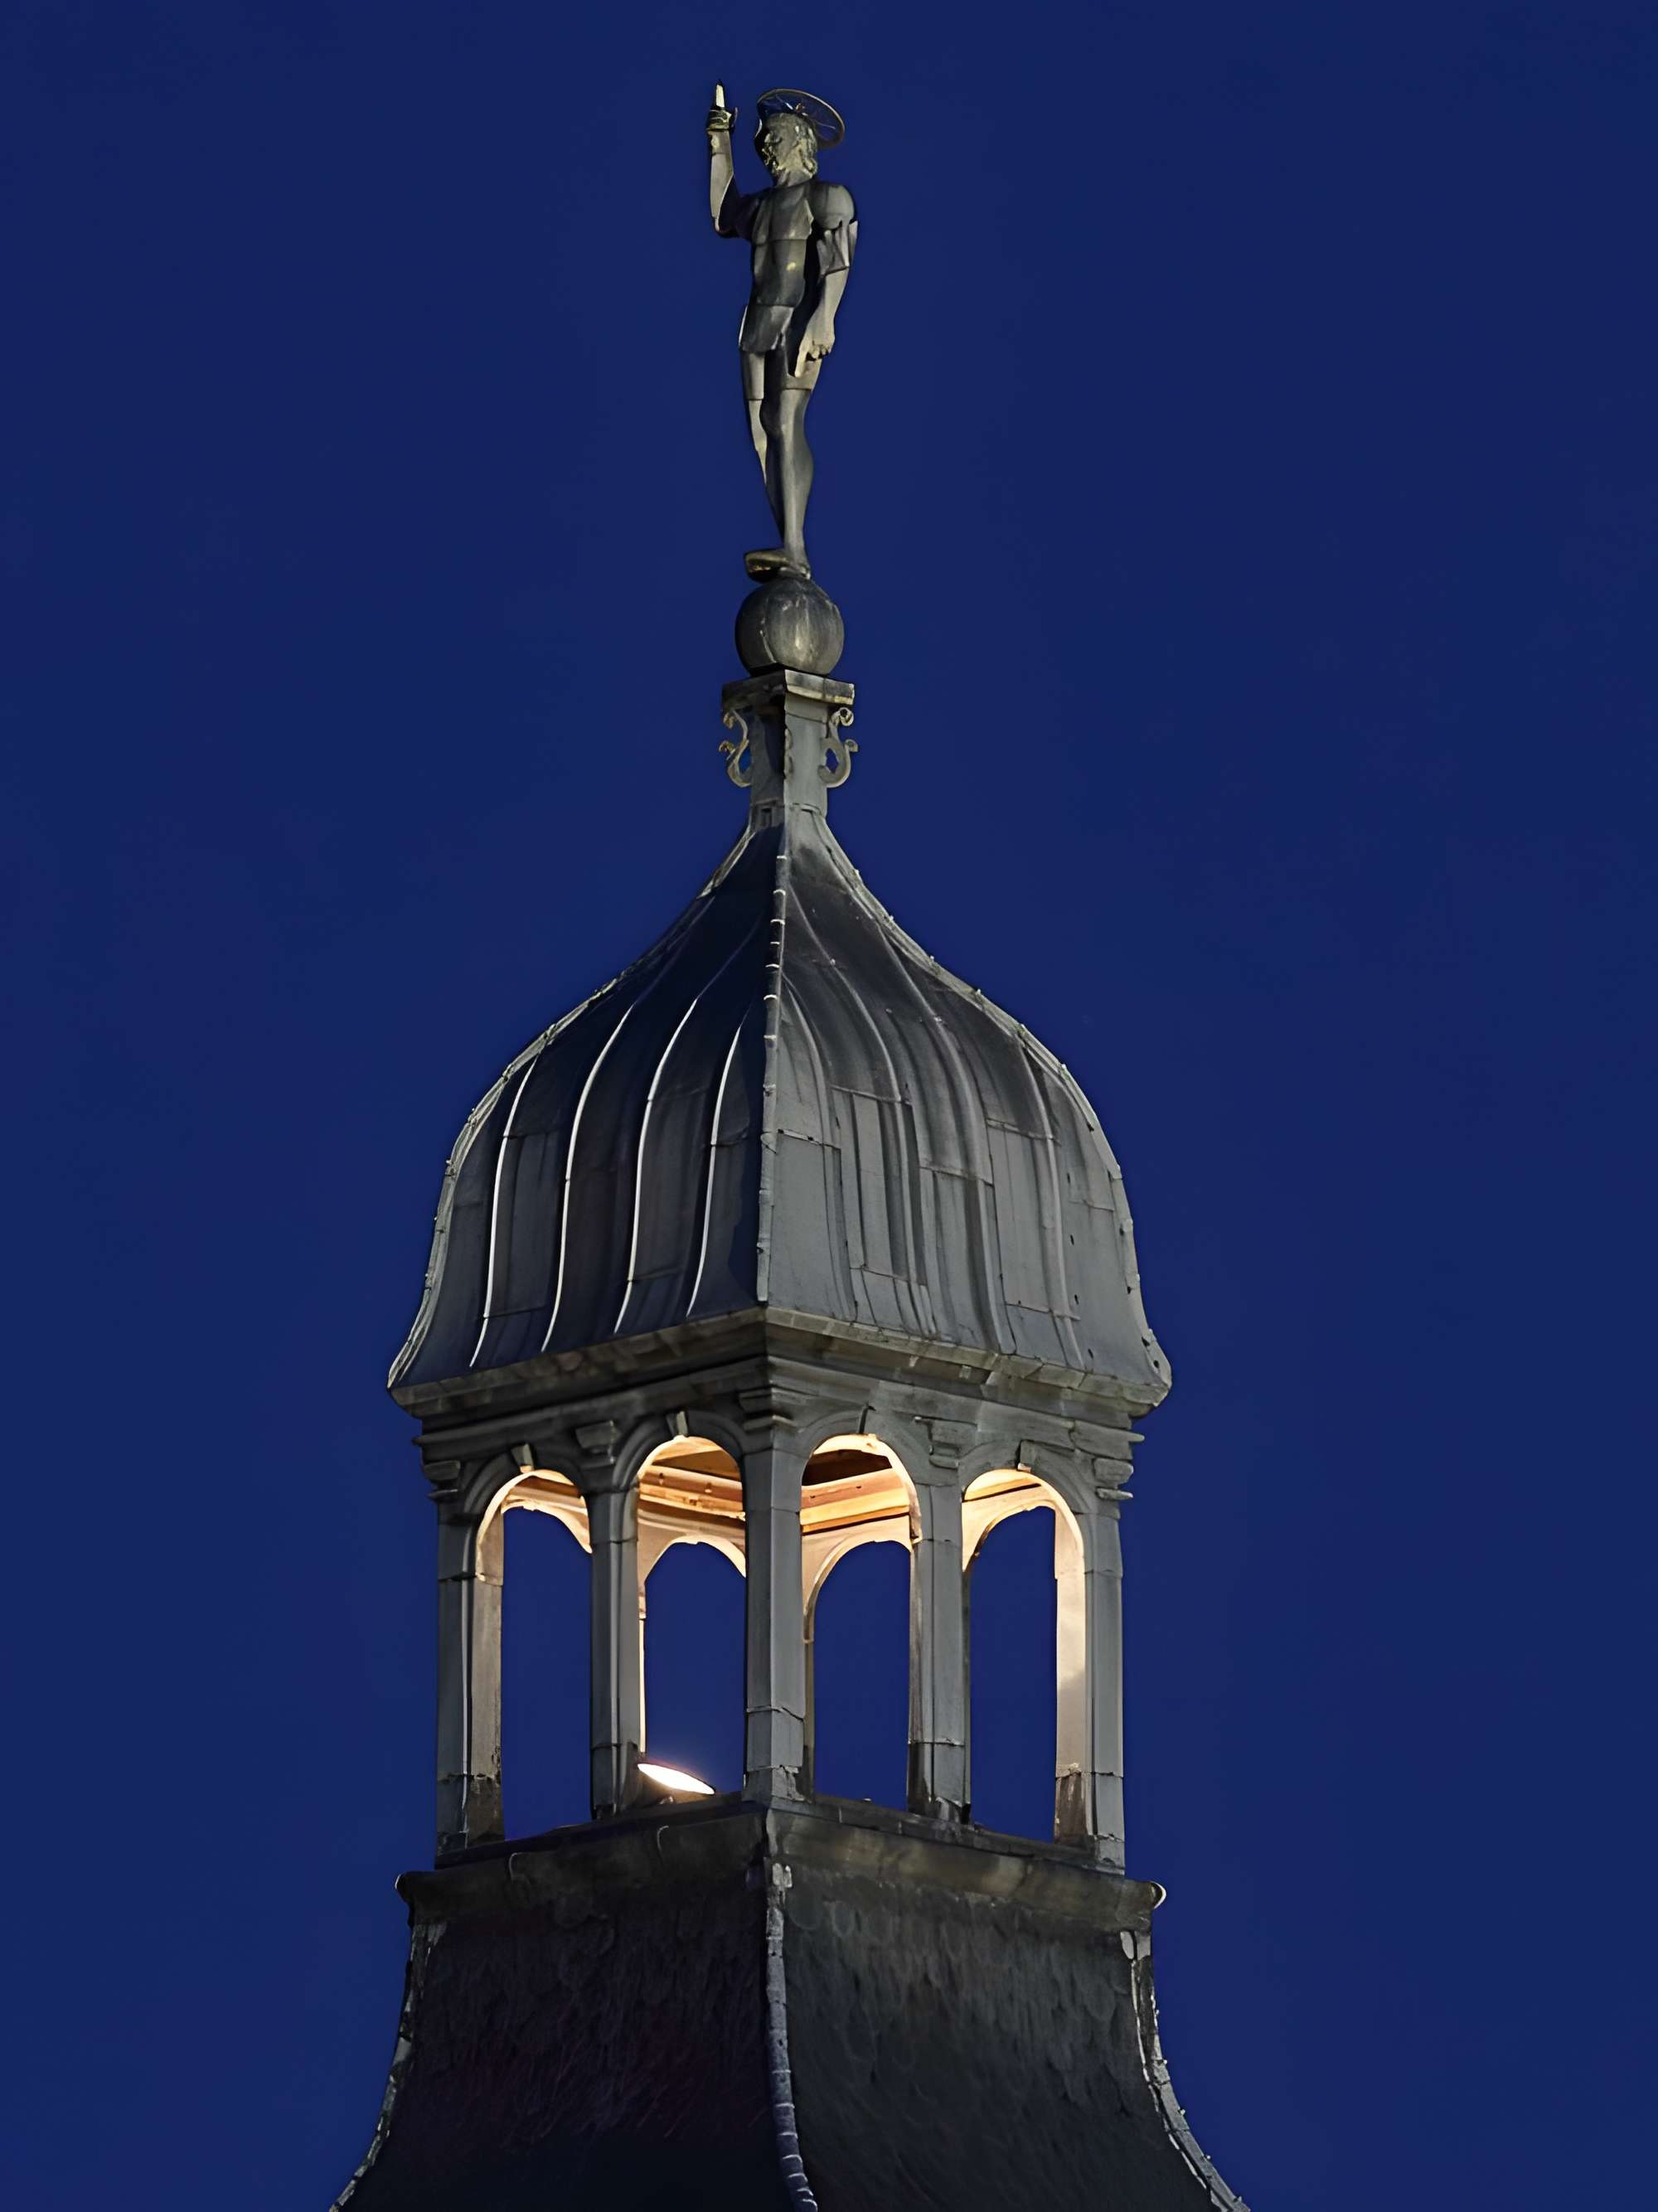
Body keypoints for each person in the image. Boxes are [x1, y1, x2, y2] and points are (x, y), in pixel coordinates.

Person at [706, 88, 856, 579]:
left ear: (800, 141)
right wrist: (719, 142)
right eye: (765, 143)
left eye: (775, 138)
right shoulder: (765, 205)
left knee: (786, 419)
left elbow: (838, 255)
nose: (768, 149)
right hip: (757, 324)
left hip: (799, 314)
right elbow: (724, 217)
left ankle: (795, 546)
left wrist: (825, 315)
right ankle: (787, 540)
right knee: (762, 433)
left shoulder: (825, 196)